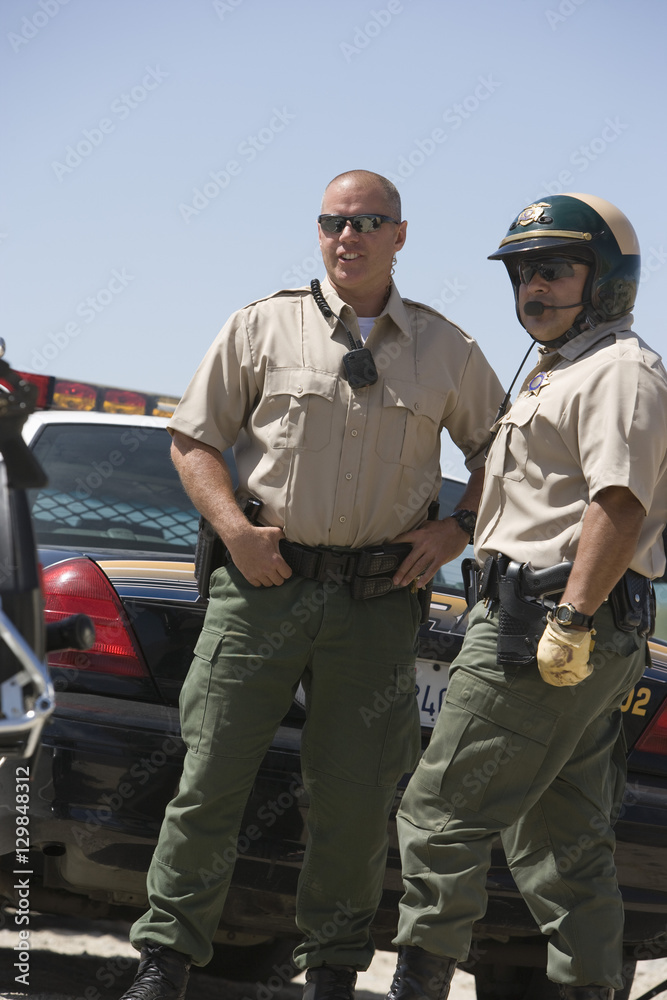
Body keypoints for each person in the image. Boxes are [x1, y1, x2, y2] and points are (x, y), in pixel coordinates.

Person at [117, 169, 504, 1000]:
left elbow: (501, 457)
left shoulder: (448, 349)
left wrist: (452, 529)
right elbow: (192, 440)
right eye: (332, 222)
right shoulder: (262, 326)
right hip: (263, 586)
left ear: (400, 235)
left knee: (357, 798)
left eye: (367, 222)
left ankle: (331, 971)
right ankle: (164, 963)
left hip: (374, 602)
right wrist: (234, 532)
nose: (347, 237)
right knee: (210, 777)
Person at [385, 193, 667, 1000]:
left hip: (543, 628)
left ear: (607, 280)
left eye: (553, 270)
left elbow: (619, 505)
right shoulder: (563, 369)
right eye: (521, 273)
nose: (532, 288)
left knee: (439, 818)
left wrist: (570, 619)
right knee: (562, 845)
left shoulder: (618, 369)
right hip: (559, 627)